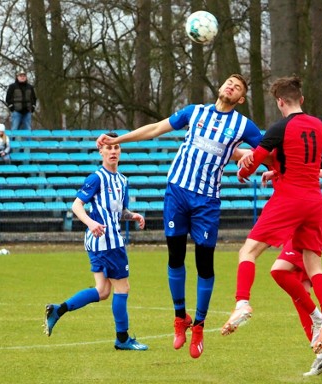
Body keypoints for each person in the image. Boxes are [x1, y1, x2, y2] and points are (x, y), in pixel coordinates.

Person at [96, 74, 263, 359]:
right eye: (228, 83)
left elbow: (265, 151)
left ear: (241, 99)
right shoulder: (194, 112)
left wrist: (253, 162)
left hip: (207, 200)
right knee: (174, 258)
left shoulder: (243, 125)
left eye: (237, 87)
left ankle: (198, 326)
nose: (230, 87)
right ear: (220, 88)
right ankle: (179, 318)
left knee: (204, 264)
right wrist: (117, 138)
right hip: (177, 192)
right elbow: (155, 128)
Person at [221, 76, 322, 357]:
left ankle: (242, 303)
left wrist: (243, 170)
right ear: (302, 100)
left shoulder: (279, 128)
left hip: (289, 199)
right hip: (313, 200)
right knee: (314, 266)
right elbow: (300, 158)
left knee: (248, 251)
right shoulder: (319, 126)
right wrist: (277, 168)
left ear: (280, 102)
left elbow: (254, 162)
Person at [44, 131, 148, 351]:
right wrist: (91, 223)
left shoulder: (122, 180)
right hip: (107, 242)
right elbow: (76, 206)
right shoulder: (96, 178)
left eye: (116, 147)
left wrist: (133, 215)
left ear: (120, 151)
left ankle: (58, 310)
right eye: (108, 148)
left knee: (102, 291)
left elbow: (121, 211)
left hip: (101, 242)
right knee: (123, 288)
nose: (113, 151)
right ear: (100, 151)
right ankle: (122, 339)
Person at [265, 148, 322, 377]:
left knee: (279, 271)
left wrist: (315, 170)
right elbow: (252, 152)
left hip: (307, 223)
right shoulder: (278, 152)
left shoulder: (311, 153)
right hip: (296, 226)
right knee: (301, 294)